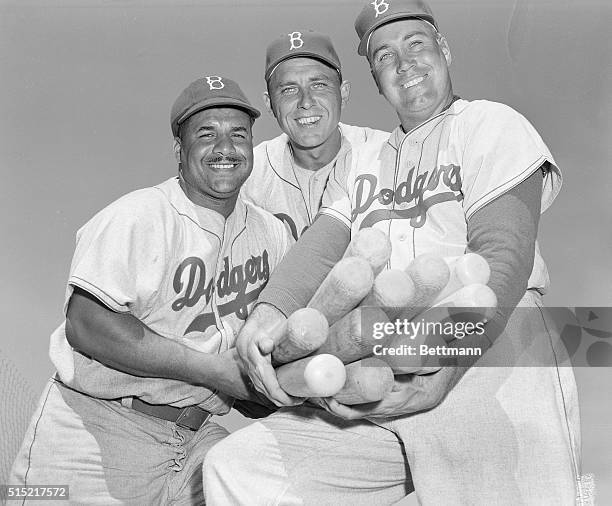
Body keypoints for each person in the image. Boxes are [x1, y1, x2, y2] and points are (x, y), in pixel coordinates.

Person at [203, 1, 582, 504]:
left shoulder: (491, 124)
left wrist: (448, 364)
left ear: (444, 50)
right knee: (245, 466)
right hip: (386, 358)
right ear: (375, 80)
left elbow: (502, 258)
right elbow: (323, 241)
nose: (404, 65)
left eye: (416, 45)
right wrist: (267, 314)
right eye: (384, 57)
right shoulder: (372, 161)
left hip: (490, 349)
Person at [9, 76, 291, 504]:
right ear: (180, 149)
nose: (225, 148)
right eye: (206, 134)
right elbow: (87, 325)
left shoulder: (271, 234)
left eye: (238, 134)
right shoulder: (138, 216)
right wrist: (217, 373)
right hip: (96, 429)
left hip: (195, 437)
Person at [241, 29, 389, 242]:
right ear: (269, 104)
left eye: (319, 85)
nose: (306, 102)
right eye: (289, 90)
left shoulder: (386, 153)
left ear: (343, 93)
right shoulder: (248, 175)